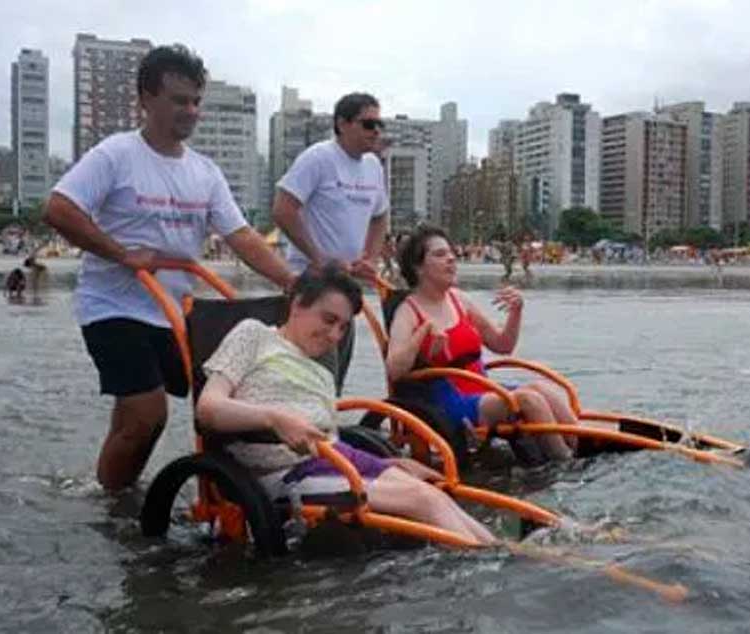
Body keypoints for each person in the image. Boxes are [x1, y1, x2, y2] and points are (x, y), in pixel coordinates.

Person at [44, 45, 295, 492]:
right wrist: (122, 254)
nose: (191, 111)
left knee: (229, 396)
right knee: (148, 415)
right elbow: (59, 209)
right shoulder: (115, 155)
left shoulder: (205, 172)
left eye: (196, 101)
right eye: (179, 100)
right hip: (114, 307)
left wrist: (293, 282)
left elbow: (241, 237)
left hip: (177, 312)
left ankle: (218, 495)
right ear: (146, 99)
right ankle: (111, 503)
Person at [196, 264, 495, 545]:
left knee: (434, 493)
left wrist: (386, 463)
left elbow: (329, 438)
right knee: (423, 501)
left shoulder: (321, 369)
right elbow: (208, 409)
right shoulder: (254, 335)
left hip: (334, 458)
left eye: (342, 327)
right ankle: (498, 569)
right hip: (284, 472)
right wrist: (274, 418)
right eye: (328, 320)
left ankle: (507, 552)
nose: (334, 335)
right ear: (297, 304)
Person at [386, 226, 578, 460]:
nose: (451, 259)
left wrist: (516, 311)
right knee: (529, 399)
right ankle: (563, 464)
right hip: (450, 403)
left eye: (451, 253)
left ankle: (581, 447)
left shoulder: (459, 300)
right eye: (439, 254)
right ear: (418, 267)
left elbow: (503, 345)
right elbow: (394, 370)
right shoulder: (408, 312)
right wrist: (423, 331)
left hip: (484, 390)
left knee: (543, 388)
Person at [272, 92, 390, 394]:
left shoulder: (373, 166)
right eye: (368, 124)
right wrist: (318, 256)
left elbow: (380, 215)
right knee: (307, 374)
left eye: (380, 124)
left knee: (333, 378)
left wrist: (371, 258)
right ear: (342, 124)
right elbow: (283, 209)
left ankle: (326, 432)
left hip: (348, 285)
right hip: (311, 283)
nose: (376, 131)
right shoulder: (319, 158)